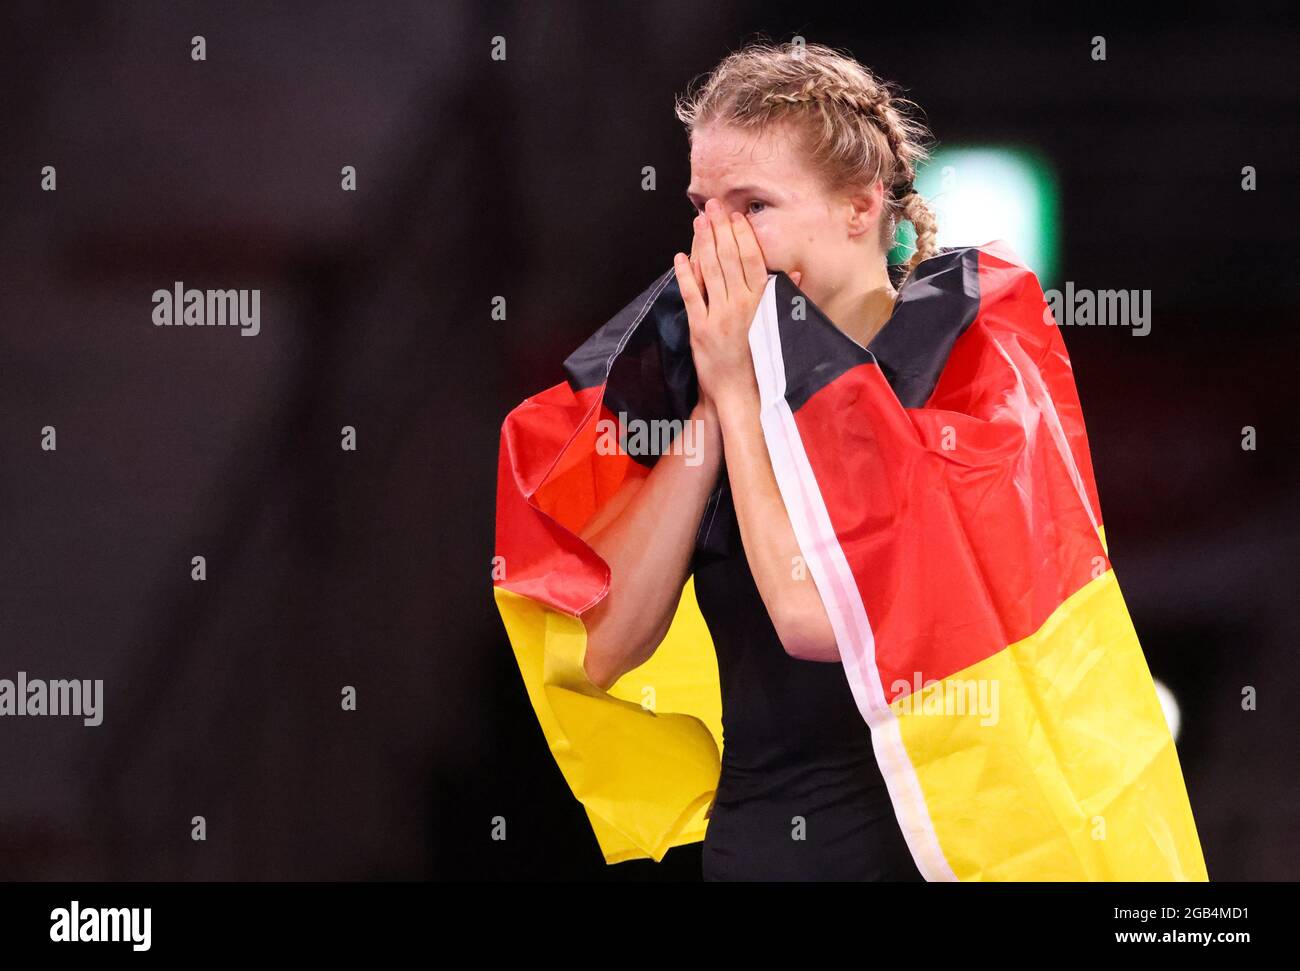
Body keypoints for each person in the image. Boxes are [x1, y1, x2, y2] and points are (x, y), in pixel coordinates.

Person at [577, 40, 939, 880]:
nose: (717, 242)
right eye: (704, 206)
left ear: (859, 206)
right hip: (759, 851)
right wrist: (714, 404)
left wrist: (737, 395)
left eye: (754, 206)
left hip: (926, 853)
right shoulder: (712, 375)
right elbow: (605, 650)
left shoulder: (956, 375)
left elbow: (815, 621)